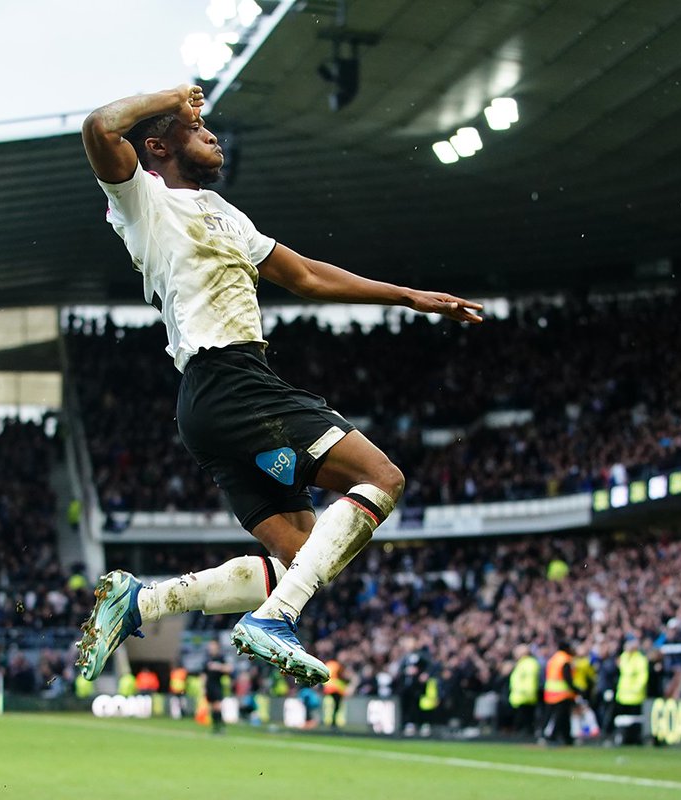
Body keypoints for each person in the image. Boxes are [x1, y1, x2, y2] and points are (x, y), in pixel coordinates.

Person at [74, 83, 483, 685]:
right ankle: (275, 621)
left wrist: (408, 296)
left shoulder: (224, 213)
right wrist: (173, 96)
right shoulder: (145, 200)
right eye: (195, 126)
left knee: (302, 559)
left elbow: (307, 276)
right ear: (158, 146)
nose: (210, 131)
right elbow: (99, 128)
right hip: (232, 380)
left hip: (213, 400)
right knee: (382, 478)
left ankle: (144, 604)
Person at [612, 634, 648, 745]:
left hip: (635, 696)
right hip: (623, 695)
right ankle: (623, 738)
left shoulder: (640, 659)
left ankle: (635, 740)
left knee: (635, 720)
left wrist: (635, 690)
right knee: (622, 720)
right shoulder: (624, 657)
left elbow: (643, 677)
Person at [542, 641, 578, 746]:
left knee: (560, 717)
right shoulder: (565, 660)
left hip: (550, 693)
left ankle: (567, 738)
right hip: (562, 694)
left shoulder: (554, 658)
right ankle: (553, 736)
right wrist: (575, 689)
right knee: (560, 717)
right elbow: (567, 677)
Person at [507, 644, 540, 738]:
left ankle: (526, 737)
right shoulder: (523, 663)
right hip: (520, 696)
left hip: (524, 696)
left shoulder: (529, 663)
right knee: (523, 719)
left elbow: (530, 680)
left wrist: (528, 692)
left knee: (525, 719)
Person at [203, 640, 231, 735]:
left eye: (212, 646)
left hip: (217, 684)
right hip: (209, 686)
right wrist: (203, 687)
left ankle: (221, 727)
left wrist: (218, 666)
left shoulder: (221, 658)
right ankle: (215, 727)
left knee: (217, 706)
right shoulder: (207, 659)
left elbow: (229, 669)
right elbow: (204, 674)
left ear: (217, 647)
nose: (210, 648)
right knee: (212, 707)